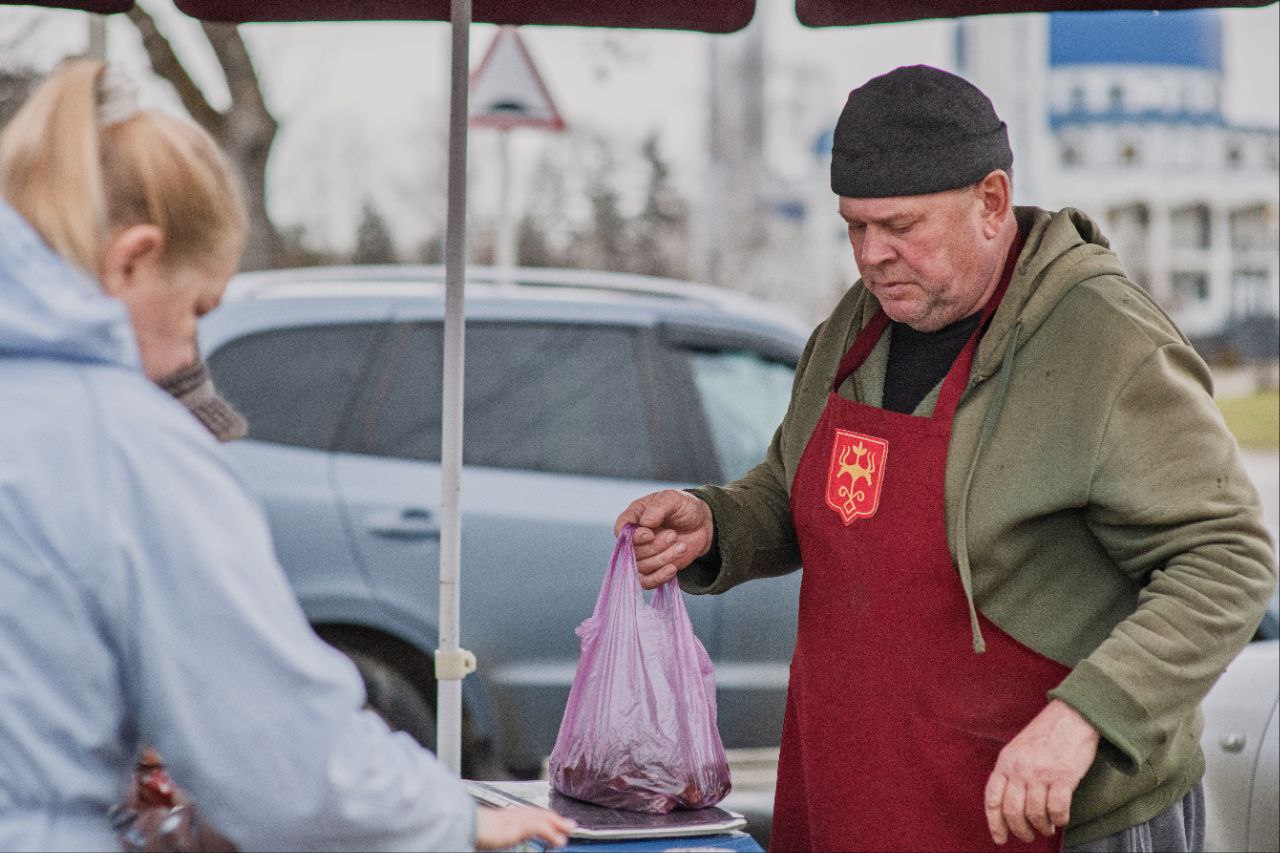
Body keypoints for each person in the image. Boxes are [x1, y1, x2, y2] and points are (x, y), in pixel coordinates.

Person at [616, 65, 1276, 853]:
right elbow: (798, 490)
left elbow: (1227, 561)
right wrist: (717, 523)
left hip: (1056, 819)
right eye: (855, 227)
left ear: (992, 202)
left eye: (901, 226)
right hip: (862, 795)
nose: (872, 255)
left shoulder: (1106, 342)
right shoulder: (855, 326)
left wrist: (1086, 716)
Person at [0, 60, 574, 852]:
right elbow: (282, 758)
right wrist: (452, 817)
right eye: (196, 310)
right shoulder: (123, 444)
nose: (186, 354)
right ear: (131, 260)